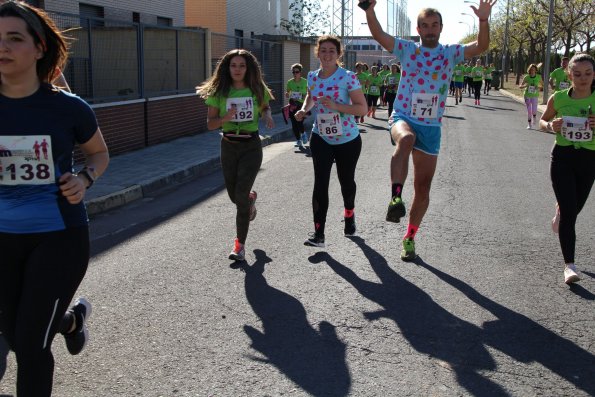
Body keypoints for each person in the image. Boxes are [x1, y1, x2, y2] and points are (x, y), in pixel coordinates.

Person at [0, 2, 110, 396]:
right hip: (2, 239)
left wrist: (84, 178)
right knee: (16, 334)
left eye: (14, 38)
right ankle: (72, 320)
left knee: (31, 347)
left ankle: (62, 324)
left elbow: (99, 154)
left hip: (59, 236)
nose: (4, 47)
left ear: (39, 48)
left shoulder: (68, 108)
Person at [360, 0, 495, 261]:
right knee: (406, 138)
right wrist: (369, 11)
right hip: (403, 115)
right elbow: (379, 36)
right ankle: (395, 198)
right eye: (425, 25)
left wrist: (483, 20)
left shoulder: (450, 53)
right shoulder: (408, 50)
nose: (430, 29)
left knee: (423, 189)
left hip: (431, 126)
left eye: (434, 25)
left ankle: (409, 237)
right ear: (418, 29)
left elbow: (481, 46)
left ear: (441, 28)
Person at [196, 49, 274, 261]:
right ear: (226, 68)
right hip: (228, 146)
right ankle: (249, 200)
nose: (237, 69)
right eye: (233, 65)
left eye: (242, 65)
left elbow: (266, 107)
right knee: (234, 196)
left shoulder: (256, 88)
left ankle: (239, 245)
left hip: (251, 146)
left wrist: (267, 116)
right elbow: (210, 124)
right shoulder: (219, 92)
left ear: (248, 68)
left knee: (238, 197)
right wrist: (225, 118)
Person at [294, 35, 367, 247]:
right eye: (323, 50)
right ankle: (319, 234)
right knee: (320, 183)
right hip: (321, 137)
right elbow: (311, 97)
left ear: (338, 55)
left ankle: (349, 213)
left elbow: (361, 108)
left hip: (347, 139)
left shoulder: (348, 77)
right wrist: (303, 110)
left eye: (331, 51)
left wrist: (337, 106)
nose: (327, 55)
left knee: (346, 182)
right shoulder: (312, 77)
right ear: (318, 53)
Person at [538, 53, 594, 284]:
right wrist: (552, 125)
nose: (583, 79)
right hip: (562, 157)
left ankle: (561, 210)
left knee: (574, 208)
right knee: (571, 214)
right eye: (577, 74)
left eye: (588, 74)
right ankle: (569, 265)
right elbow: (541, 122)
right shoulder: (559, 98)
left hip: (589, 159)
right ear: (569, 75)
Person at [285, 63, 308, 148]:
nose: (295, 74)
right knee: (294, 123)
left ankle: (303, 133)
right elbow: (288, 92)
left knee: (299, 121)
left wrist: (301, 96)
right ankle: (298, 140)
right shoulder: (290, 82)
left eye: (297, 72)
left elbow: (308, 94)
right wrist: (287, 94)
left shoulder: (305, 82)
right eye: (293, 72)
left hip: (301, 105)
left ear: (300, 72)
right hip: (292, 105)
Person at [519, 63, 543, 129]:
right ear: (529, 70)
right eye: (531, 69)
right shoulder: (526, 77)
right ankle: (529, 124)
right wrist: (525, 85)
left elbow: (542, 86)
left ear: (536, 70)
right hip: (527, 95)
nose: (532, 71)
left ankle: (534, 117)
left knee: (534, 110)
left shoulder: (538, 77)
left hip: (535, 95)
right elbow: (520, 86)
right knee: (529, 110)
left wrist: (537, 87)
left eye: (533, 69)